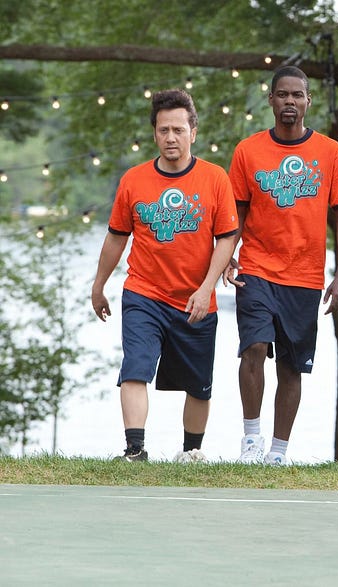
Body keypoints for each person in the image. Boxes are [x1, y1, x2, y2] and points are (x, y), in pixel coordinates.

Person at [90, 89, 238, 463]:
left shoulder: (215, 179)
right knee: (134, 369)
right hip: (144, 294)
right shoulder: (134, 180)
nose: (171, 138)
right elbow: (116, 237)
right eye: (163, 130)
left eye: (178, 129)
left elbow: (228, 238)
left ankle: (190, 454)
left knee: (199, 386)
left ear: (193, 132)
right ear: (154, 134)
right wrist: (99, 285)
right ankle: (135, 449)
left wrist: (206, 289)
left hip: (195, 297)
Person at [224, 66, 338, 466]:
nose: (289, 103)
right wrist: (226, 252)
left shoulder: (330, 152)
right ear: (271, 101)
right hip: (258, 268)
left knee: (291, 367)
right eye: (282, 95)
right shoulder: (248, 151)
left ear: (308, 101)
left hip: (306, 274)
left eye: (297, 95)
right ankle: (251, 439)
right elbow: (235, 212)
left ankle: (278, 451)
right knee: (254, 347)